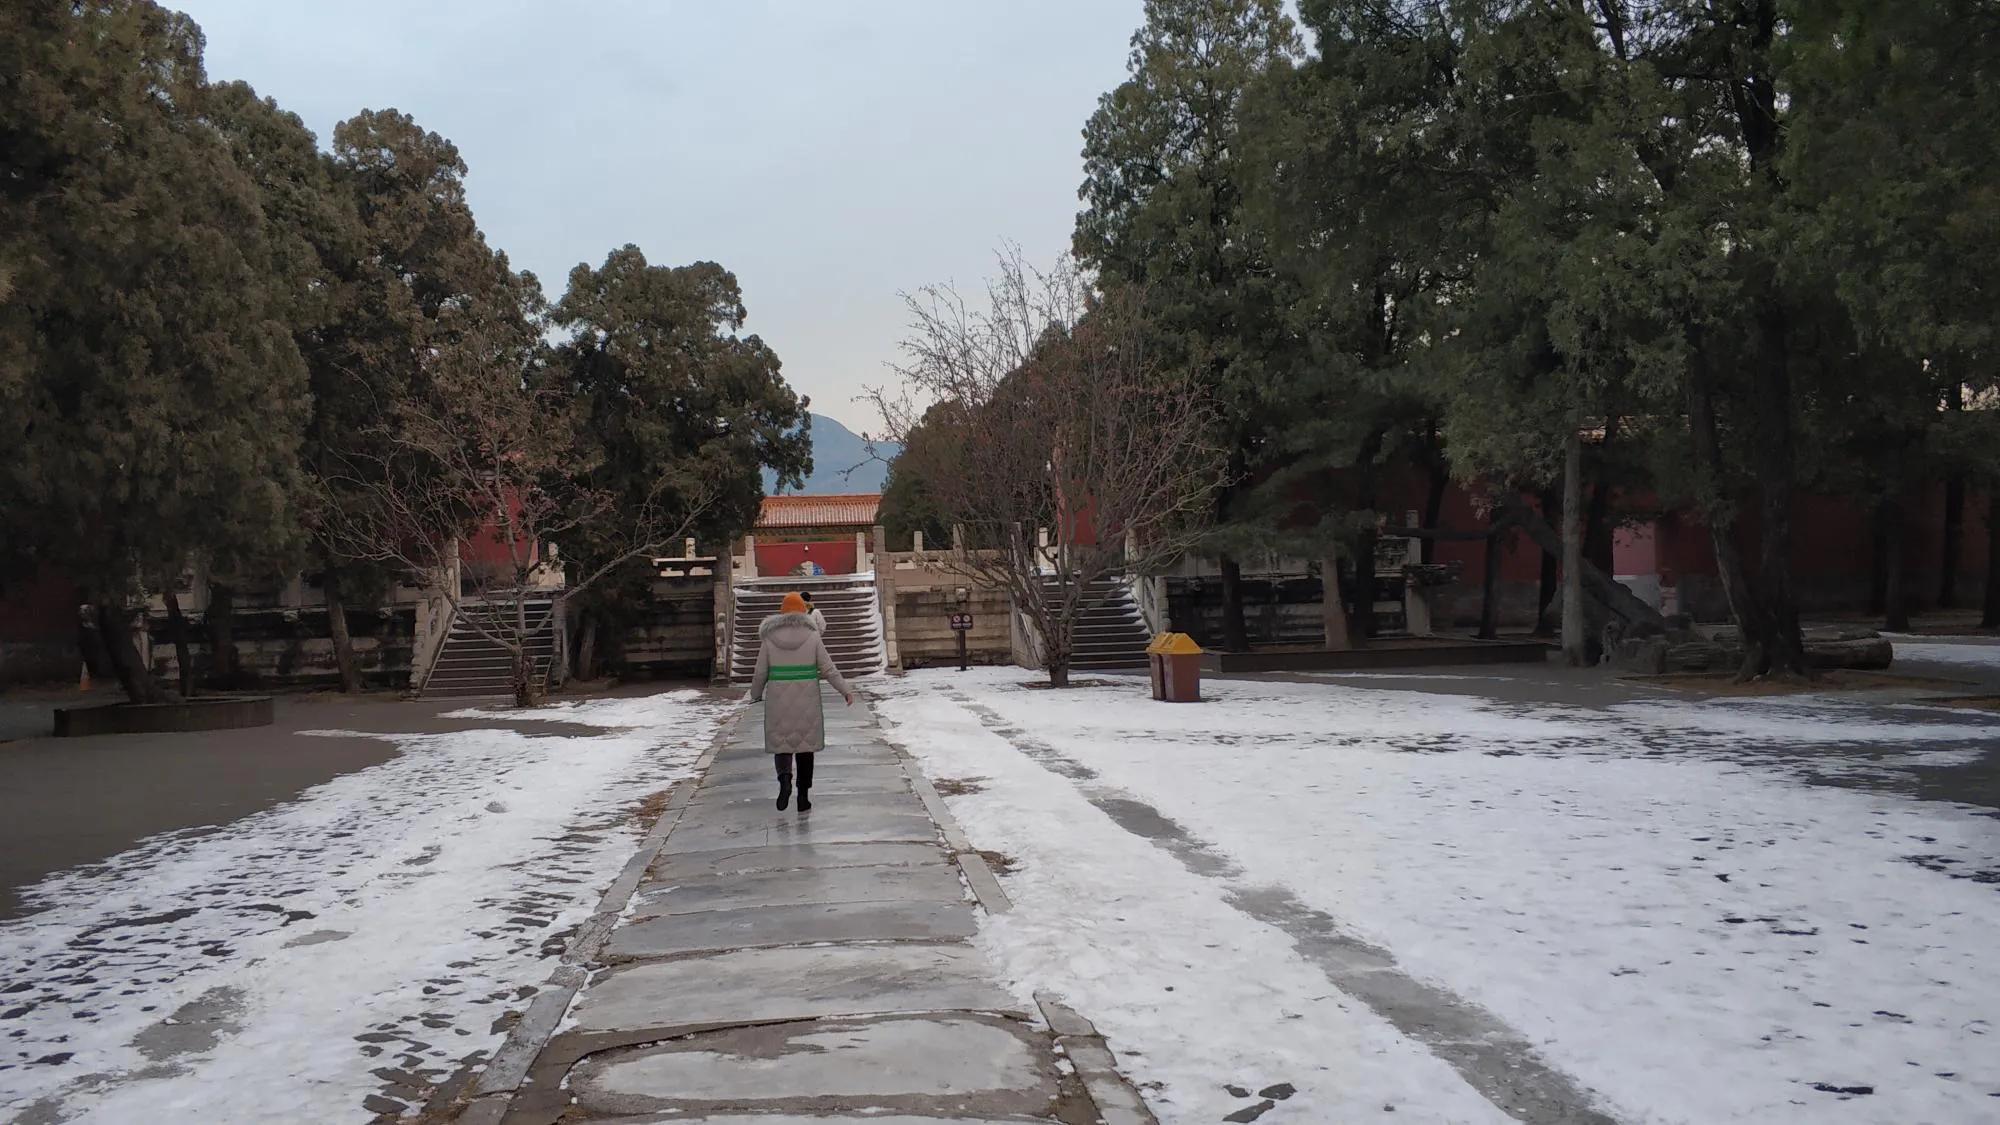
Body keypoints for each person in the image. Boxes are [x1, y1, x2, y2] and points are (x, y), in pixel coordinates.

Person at [748, 592, 854, 811]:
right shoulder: (813, 636)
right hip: (807, 700)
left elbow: (760, 672)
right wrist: (845, 690)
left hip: (778, 699)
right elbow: (828, 669)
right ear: (803, 611)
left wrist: (755, 694)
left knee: (782, 744)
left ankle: (784, 780)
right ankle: (803, 796)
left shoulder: (769, 637)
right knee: (806, 748)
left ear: (782, 612)